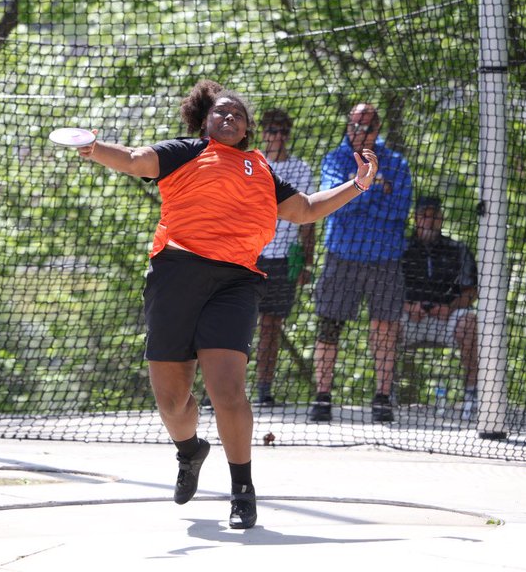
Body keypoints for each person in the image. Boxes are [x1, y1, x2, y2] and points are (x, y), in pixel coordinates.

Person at [75, 80, 379, 530]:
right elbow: (136, 160)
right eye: (221, 112)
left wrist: (358, 183)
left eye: (238, 114)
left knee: (227, 390)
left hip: (236, 282)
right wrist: (93, 146)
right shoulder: (186, 151)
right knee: (172, 401)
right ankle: (190, 450)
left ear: (248, 129)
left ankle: (242, 490)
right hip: (175, 275)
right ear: (205, 122)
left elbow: (306, 209)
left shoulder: (259, 166)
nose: (230, 117)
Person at [309, 102, 413, 423]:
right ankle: (322, 397)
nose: (357, 132)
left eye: (365, 127)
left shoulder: (396, 163)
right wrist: (372, 189)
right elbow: (334, 206)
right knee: (329, 325)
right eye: (353, 125)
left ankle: (382, 398)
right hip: (343, 255)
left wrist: (356, 190)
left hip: (385, 258)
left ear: (376, 129)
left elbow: (399, 209)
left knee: (384, 327)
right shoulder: (334, 159)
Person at [252, 108, 315, 407]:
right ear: (263, 133)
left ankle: (264, 388)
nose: (278, 136)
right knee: (234, 324)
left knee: (271, 326)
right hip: (248, 255)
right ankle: (221, 392)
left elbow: (309, 219)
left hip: (281, 260)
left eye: (283, 131)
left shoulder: (301, 169)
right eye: (272, 130)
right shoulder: (251, 163)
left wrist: (306, 263)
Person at [399, 195, 480, 420]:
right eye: (424, 216)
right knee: (384, 322)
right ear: (416, 219)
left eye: (434, 216)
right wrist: (407, 306)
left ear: (441, 219)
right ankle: (385, 394)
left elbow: (471, 291)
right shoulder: (401, 248)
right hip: (409, 319)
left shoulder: (458, 249)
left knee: (470, 321)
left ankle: (472, 394)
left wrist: (450, 308)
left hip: (447, 321)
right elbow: (386, 289)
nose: (429, 221)